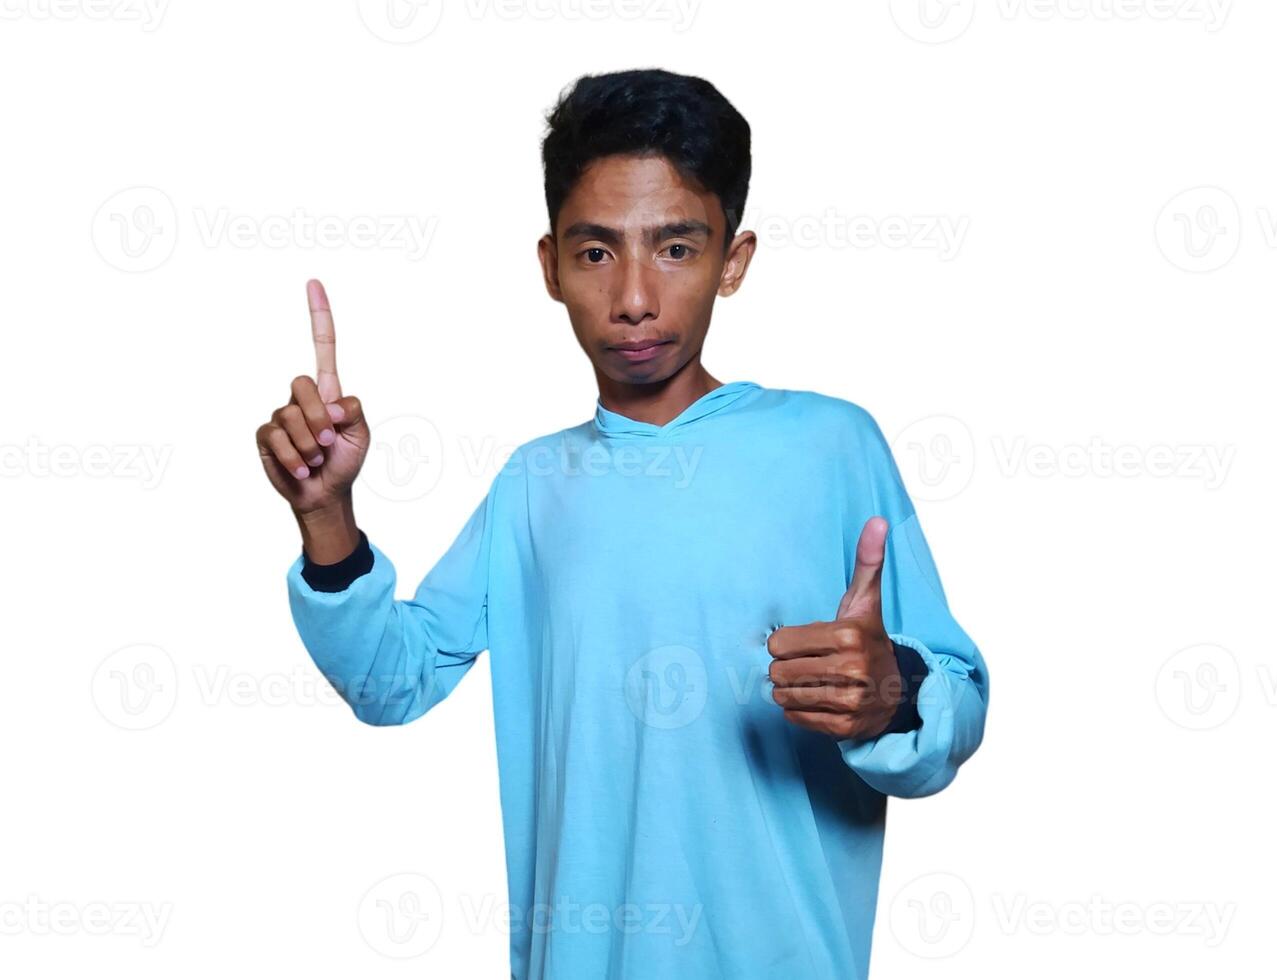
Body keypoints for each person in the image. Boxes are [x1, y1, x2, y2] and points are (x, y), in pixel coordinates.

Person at [256, 67, 989, 980]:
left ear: (734, 258)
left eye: (675, 249)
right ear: (550, 267)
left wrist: (895, 692)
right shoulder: (535, 483)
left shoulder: (832, 445)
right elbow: (390, 683)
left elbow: (955, 698)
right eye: (596, 252)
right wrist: (326, 516)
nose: (634, 296)